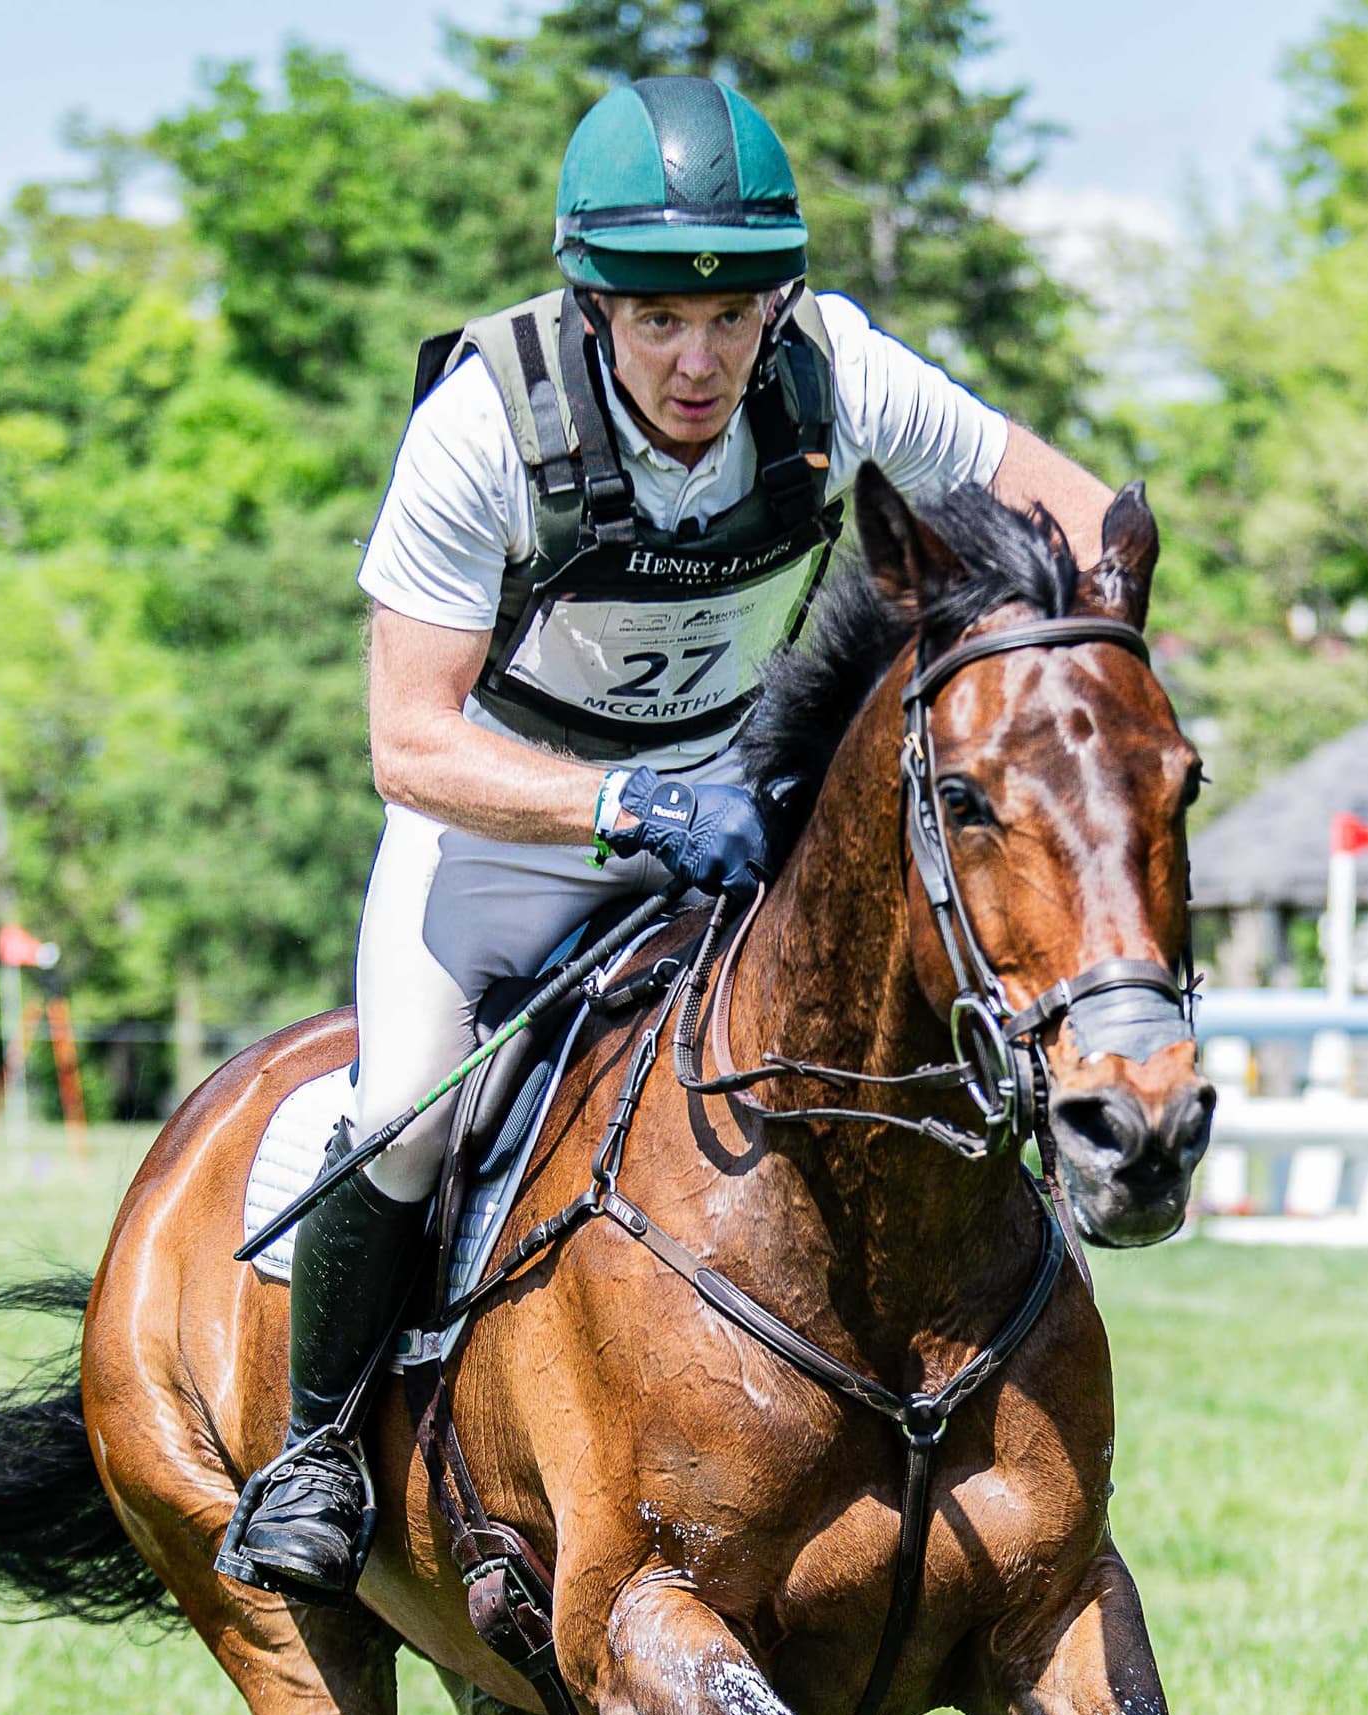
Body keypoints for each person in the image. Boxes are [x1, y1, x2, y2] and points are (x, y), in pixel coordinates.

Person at [222, 75, 1120, 1598]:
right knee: (406, 1118)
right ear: (591, 306)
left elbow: (1079, 514)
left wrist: (1066, 700)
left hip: (738, 805)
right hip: (502, 828)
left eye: (732, 318)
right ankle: (315, 1446)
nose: (700, 361)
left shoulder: (836, 372)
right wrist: (624, 804)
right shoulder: (480, 429)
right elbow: (408, 740)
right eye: (657, 325)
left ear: (779, 298)